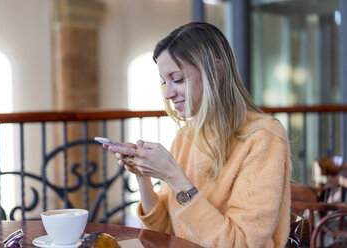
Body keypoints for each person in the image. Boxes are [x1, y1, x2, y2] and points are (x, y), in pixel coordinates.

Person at [104, 22, 291, 248]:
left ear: (217, 71)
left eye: (178, 79)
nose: (168, 93)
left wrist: (174, 177)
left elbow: (241, 243)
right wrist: (142, 175)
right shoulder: (186, 136)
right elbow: (164, 234)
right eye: (165, 81)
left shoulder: (263, 136)